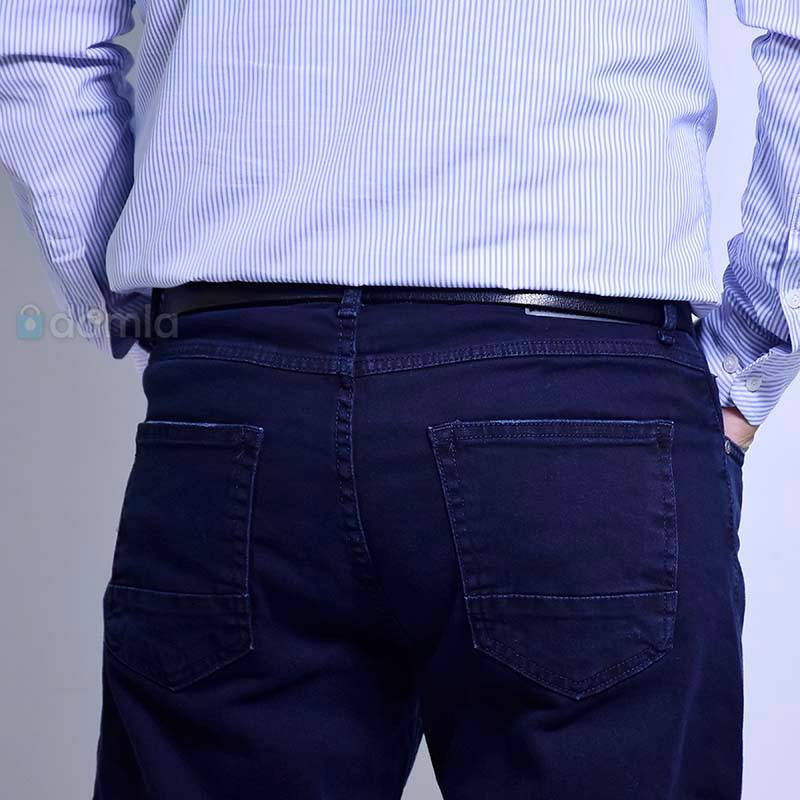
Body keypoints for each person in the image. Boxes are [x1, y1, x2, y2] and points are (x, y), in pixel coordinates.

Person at [1, 1, 797, 797]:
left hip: (239, 395)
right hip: (578, 403)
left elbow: (36, 39)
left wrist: (156, 315)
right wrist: (746, 357)